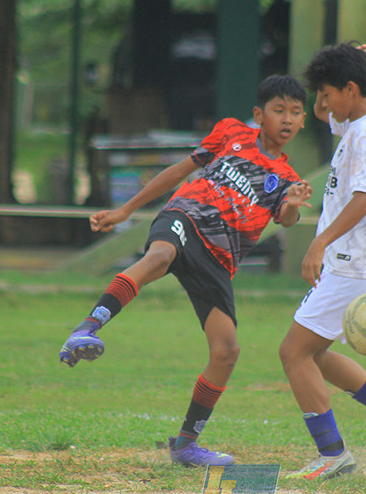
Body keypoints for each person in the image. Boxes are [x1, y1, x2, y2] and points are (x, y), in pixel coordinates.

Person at [60, 75, 313, 467]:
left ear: (302, 121)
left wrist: (294, 202)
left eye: (296, 113)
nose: (288, 119)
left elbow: (286, 219)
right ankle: (87, 328)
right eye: (279, 110)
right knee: (158, 257)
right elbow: (179, 170)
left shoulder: (287, 179)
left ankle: (185, 445)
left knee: (226, 351)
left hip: (219, 259)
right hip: (185, 217)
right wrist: (127, 210)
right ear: (259, 115)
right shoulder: (230, 132)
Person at [279, 43, 366, 480]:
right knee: (313, 352)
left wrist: (318, 242)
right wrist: (340, 70)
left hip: (354, 262)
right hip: (357, 260)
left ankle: (332, 455)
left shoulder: (365, 134)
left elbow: (363, 200)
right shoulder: (359, 123)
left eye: (327, 92)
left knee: (293, 352)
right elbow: (328, 116)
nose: (320, 105)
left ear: (351, 89)